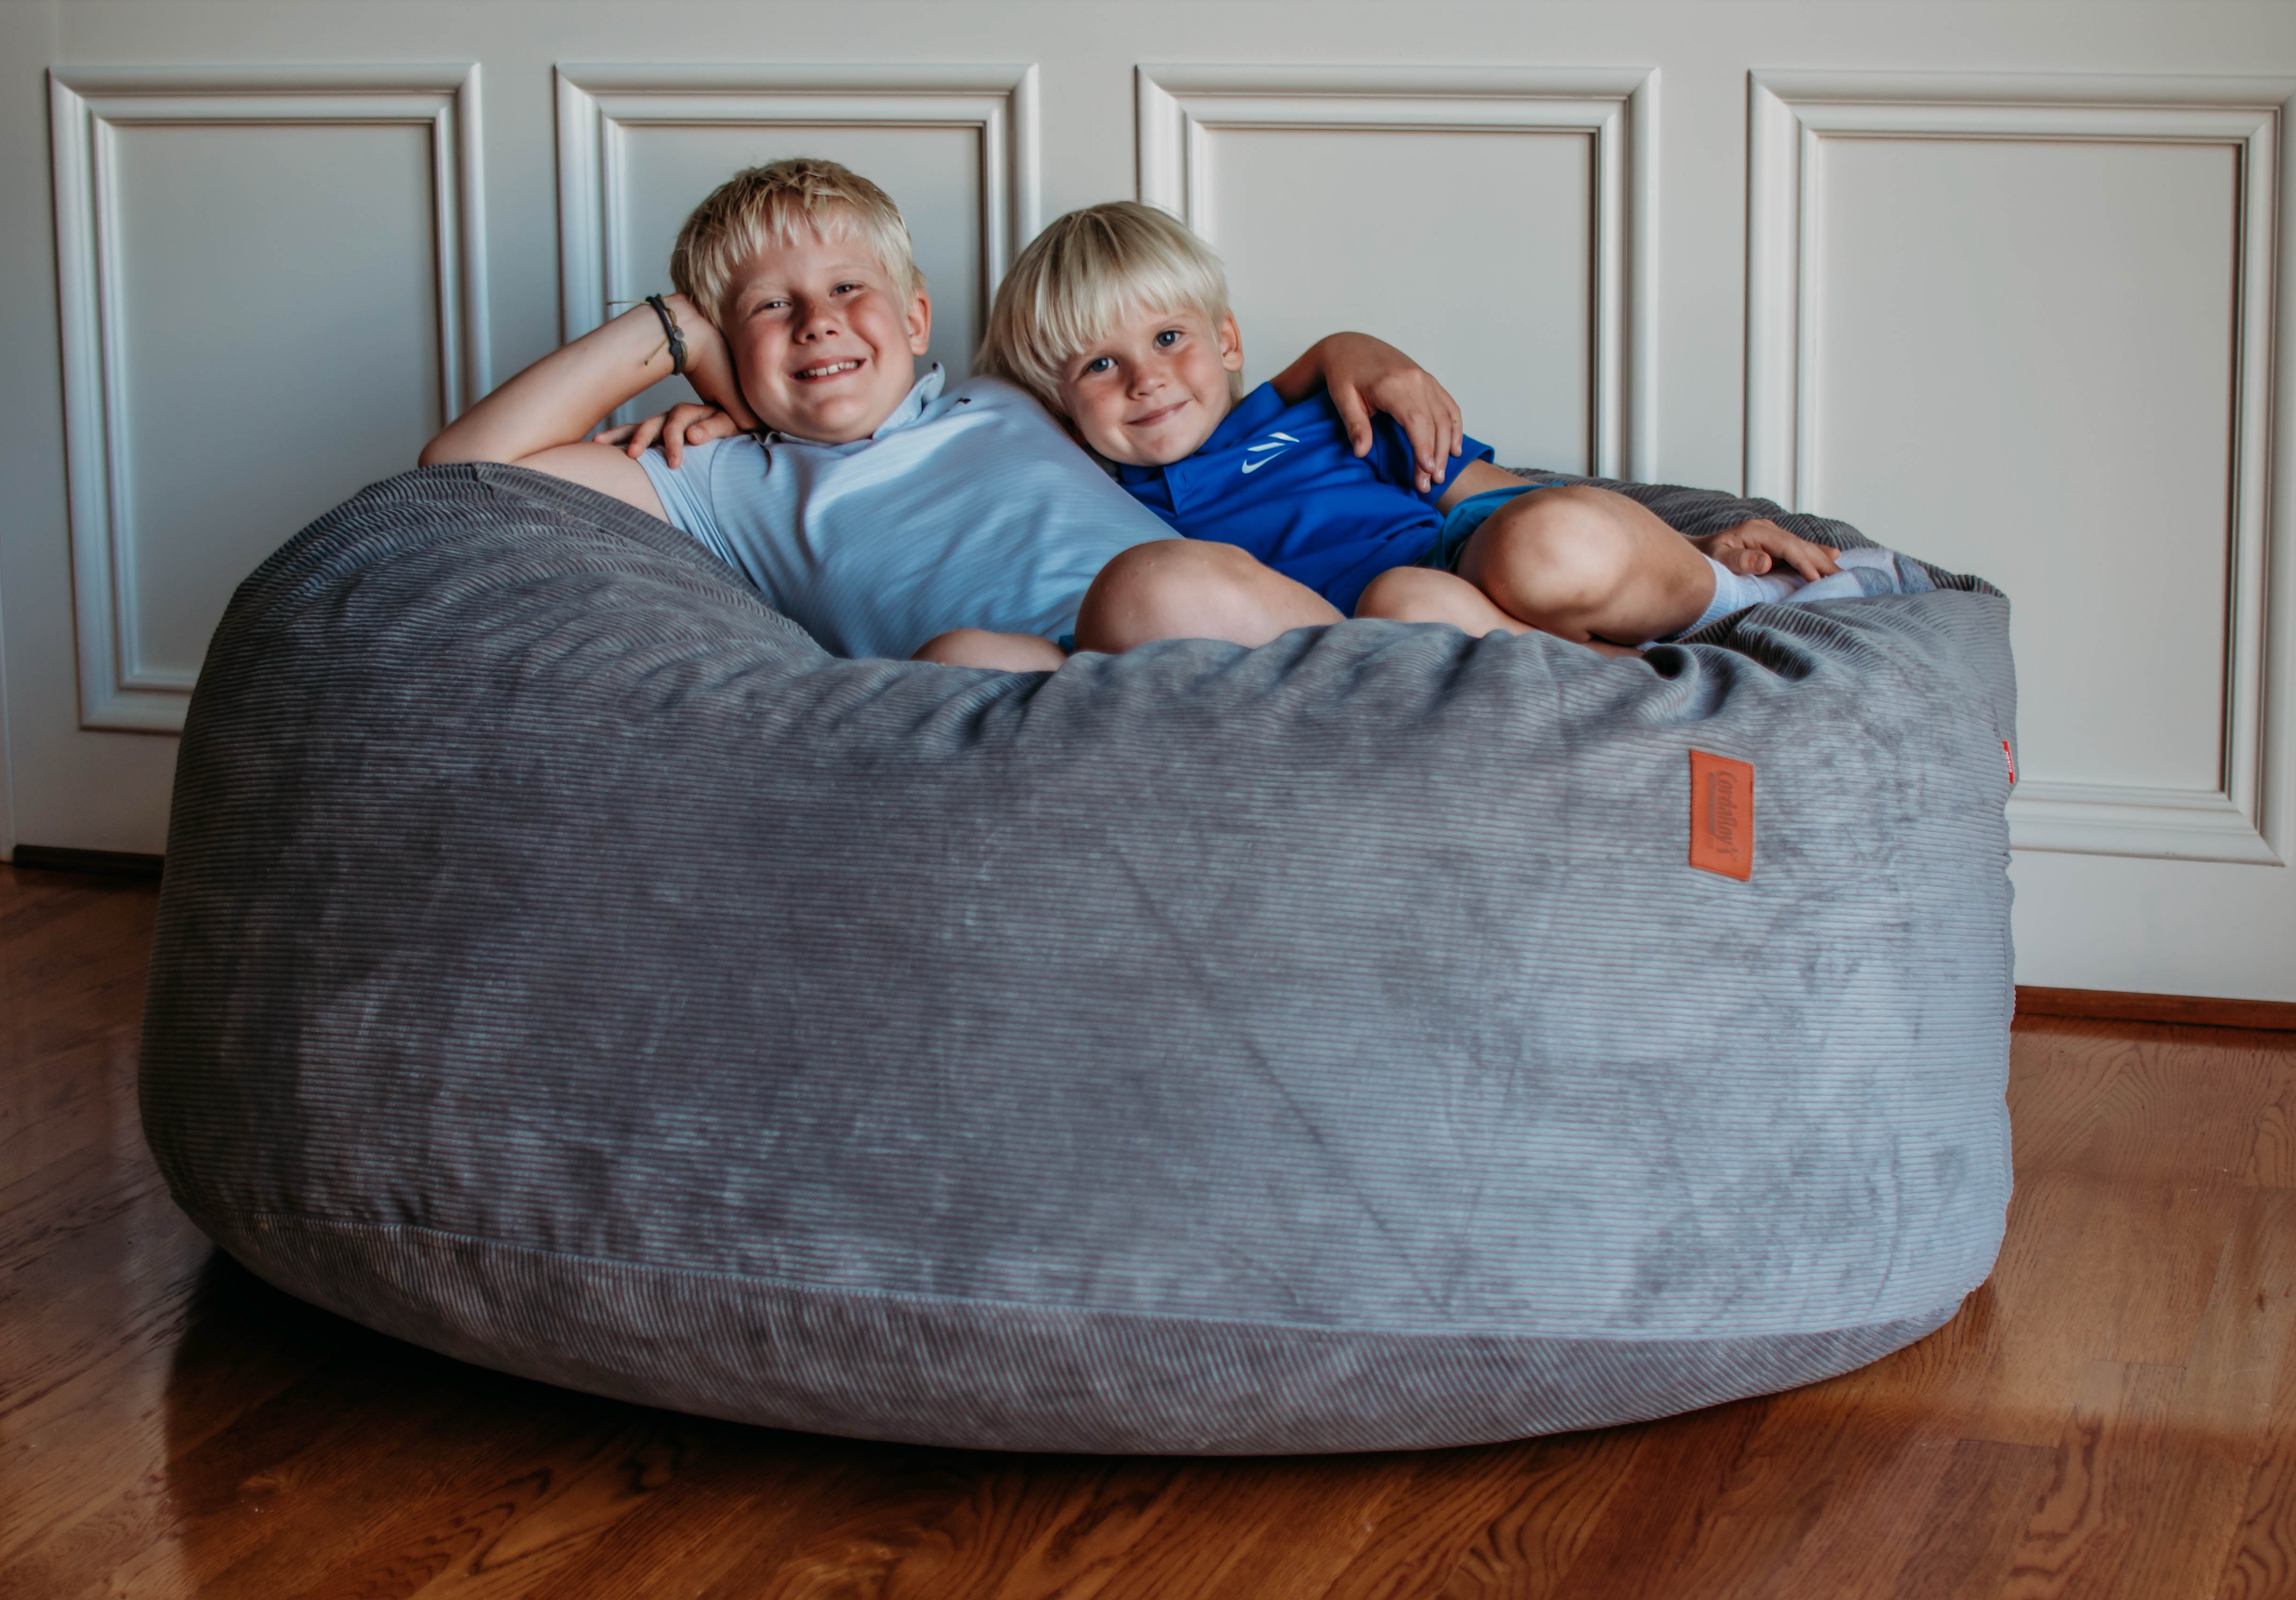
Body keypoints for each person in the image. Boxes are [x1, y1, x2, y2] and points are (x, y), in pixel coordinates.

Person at [420, 159, 1460, 669]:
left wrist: (1350, 350)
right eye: (768, 308)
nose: (816, 323)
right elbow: (462, 465)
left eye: (845, 290)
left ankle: (1412, 696)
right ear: (726, 352)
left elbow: (1181, 381)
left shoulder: (1006, 389)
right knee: (960, 659)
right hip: (1042, 696)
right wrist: (668, 329)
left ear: (917, 318)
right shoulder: (718, 482)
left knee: (1159, 585)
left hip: (1193, 627)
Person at [941, 201, 1931, 668]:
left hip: (1456, 563)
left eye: (1166, 339)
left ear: (1228, 340)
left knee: (1544, 542)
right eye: (1098, 366)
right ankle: (1621, 686)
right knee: (964, 654)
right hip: (1350, 638)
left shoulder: (1315, 414)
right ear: (1058, 399)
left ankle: (1734, 599)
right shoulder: (1101, 496)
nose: (1147, 378)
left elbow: (1491, 491)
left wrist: (1692, 547)